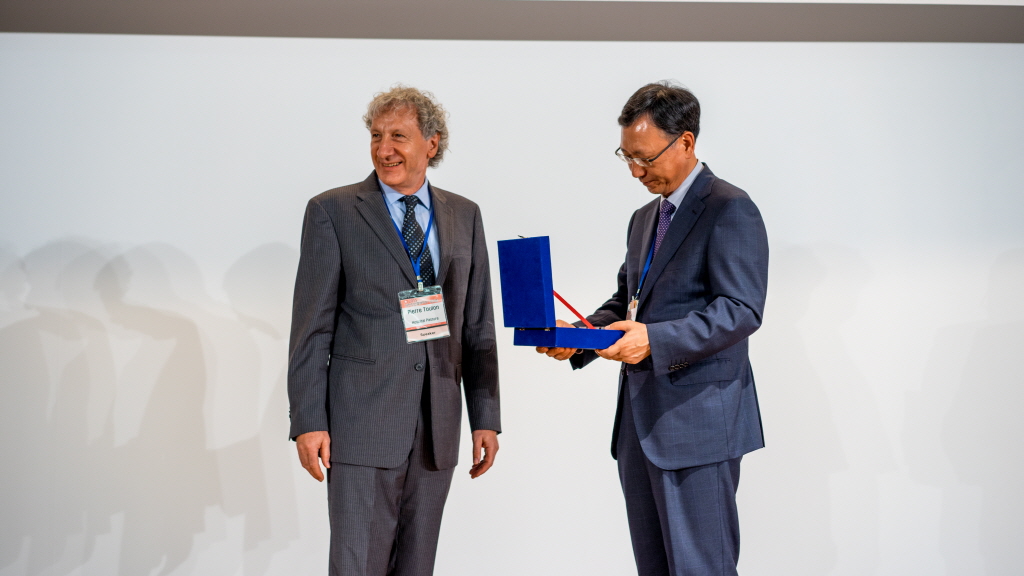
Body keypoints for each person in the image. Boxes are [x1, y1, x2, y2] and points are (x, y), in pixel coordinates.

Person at [537, 82, 768, 576]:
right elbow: (627, 302)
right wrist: (578, 336)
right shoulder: (644, 218)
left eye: (645, 158)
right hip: (640, 429)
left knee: (701, 568)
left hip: (699, 426)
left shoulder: (729, 207)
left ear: (685, 142)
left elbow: (741, 309)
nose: (636, 171)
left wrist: (655, 341)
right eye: (627, 157)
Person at [288, 85, 501, 576]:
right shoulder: (333, 211)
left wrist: (485, 416)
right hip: (362, 425)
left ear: (432, 143)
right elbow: (311, 329)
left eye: (399, 136)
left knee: (417, 567)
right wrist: (308, 419)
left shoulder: (464, 214)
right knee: (357, 566)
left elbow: (477, 324)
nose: (385, 149)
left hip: (437, 427)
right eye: (376, 136)